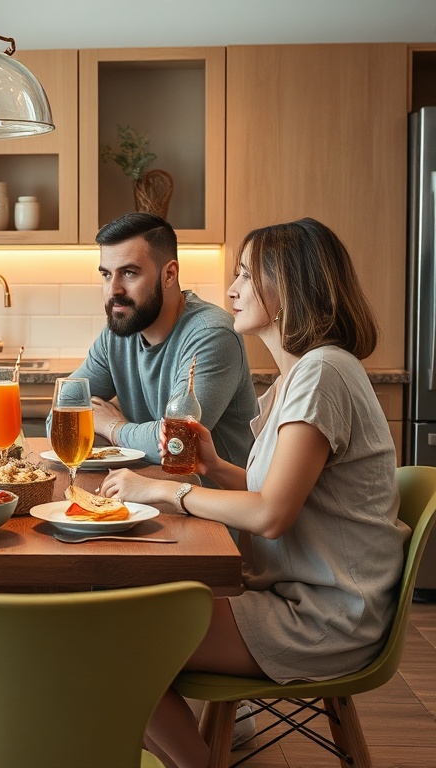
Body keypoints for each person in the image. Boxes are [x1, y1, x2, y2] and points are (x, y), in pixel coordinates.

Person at [99, 218, 408, 768]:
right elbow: (279, 492)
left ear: (289, 285)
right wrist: (215, 465)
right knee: (120, 619)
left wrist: (166, 492)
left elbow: (269, 515)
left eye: (245, 274)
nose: (232, 289)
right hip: (305, 594)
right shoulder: (303, 375)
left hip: (323, 615)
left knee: (113, 643)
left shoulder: (322, 374)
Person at [53, 212, 257, 471]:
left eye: (128, 273)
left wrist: (111, 426)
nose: (113, 289)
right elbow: (59, 418)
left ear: (169, 274)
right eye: (106, 274)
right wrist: (140, 436)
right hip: (144, 493)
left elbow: (177, 443)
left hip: (212, 503)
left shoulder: (212, 334)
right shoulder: (117, 333)